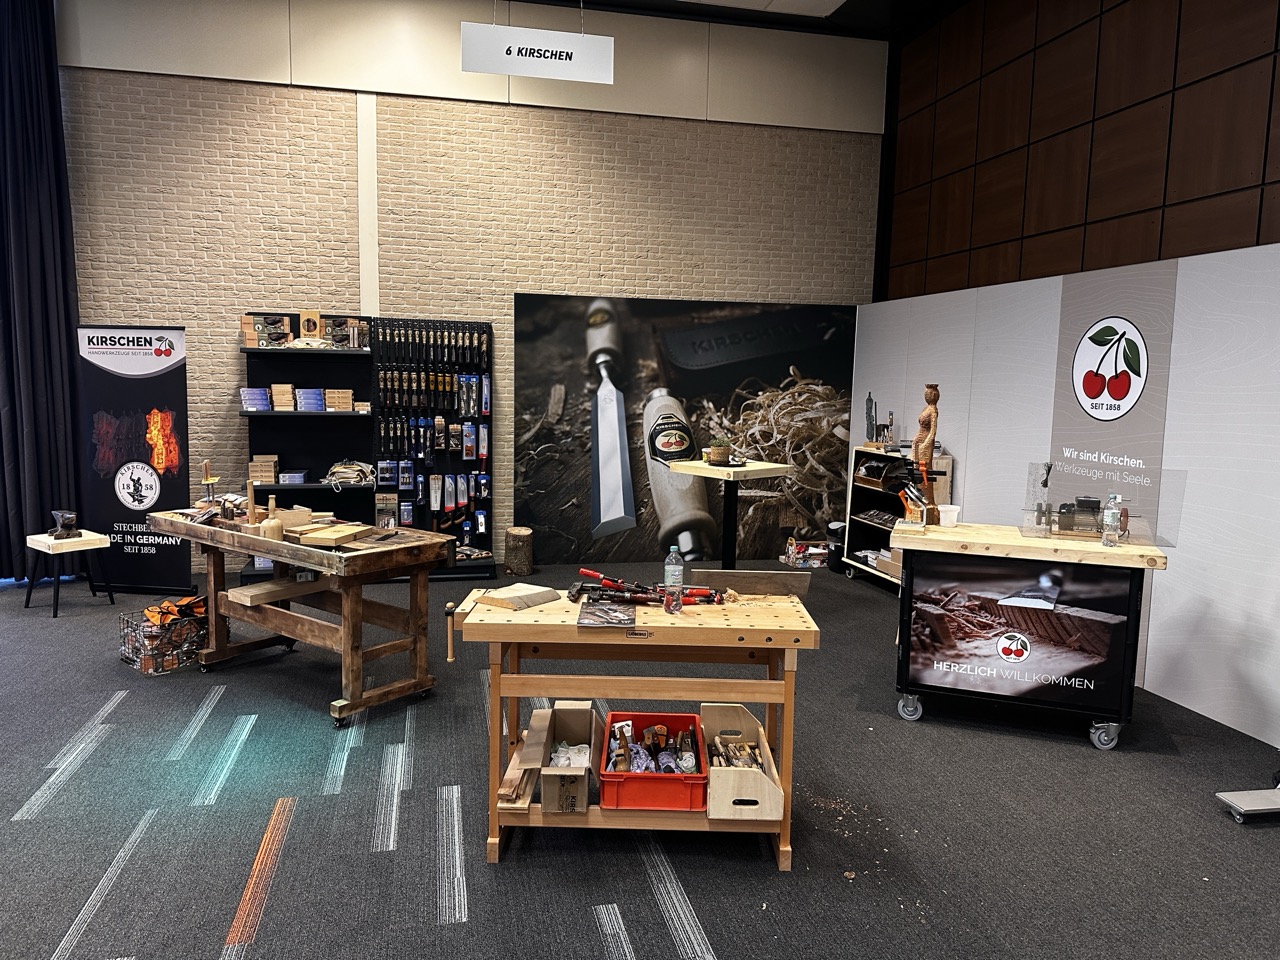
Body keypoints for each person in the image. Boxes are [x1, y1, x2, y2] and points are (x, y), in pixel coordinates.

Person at [912, 384, 939, 516]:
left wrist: (925, 444)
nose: (926, 396)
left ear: (934, 395)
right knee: (916, 470)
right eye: (925, 393)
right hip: (919, 442)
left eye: (928, 394)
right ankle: (917, 500)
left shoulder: (933, 410)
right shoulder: (926, 408)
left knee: (924, 471)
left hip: (925, 443)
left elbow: (933, 431)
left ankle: (928, 501)